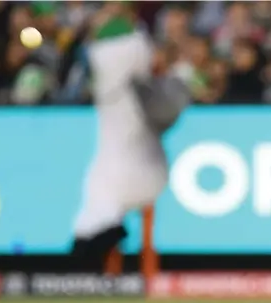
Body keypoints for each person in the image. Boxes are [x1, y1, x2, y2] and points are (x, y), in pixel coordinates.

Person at [71, 2, 189, 273]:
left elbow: (166, 111)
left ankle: (136, 271)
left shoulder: (135, 83)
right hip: (130, 163)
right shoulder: (123, 79)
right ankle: (113, 269)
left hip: (136, 160)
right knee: (114, 211)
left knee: (121, 211)